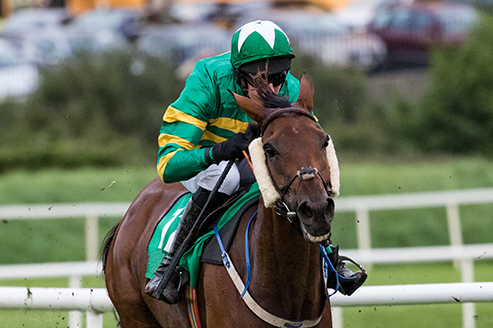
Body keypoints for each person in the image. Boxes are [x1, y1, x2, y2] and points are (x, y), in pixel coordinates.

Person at [145, 20, 366, 303]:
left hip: (257, 164)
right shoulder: (206, 79)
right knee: (229, 178)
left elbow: (310, 147)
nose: (274, 88)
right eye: (262, 79)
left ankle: (328, 259)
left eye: (279, 76)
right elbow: (169, 166)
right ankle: (171, 265)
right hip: (202, 164)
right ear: (239, 73)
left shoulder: (293, 88)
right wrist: (219, 151)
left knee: (302, 184)